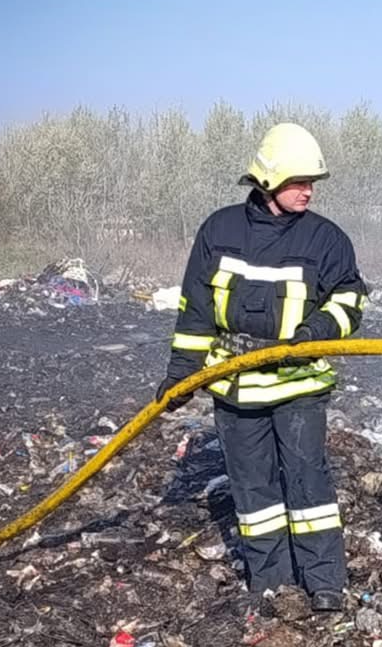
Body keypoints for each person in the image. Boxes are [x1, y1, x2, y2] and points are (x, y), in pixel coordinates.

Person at [157, 123, 370, 612]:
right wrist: (182, 372)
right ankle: (270, 582)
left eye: (312, 182)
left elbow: (350, 299)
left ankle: (324, 582)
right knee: (253, 489)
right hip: (234, 385)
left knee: (307, 478)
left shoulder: (326, 239)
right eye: (299, 182)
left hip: (298, 383)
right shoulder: (220, 230)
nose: (308, 191)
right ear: (268, 181)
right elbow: (196, 309)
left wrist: (316, 333)